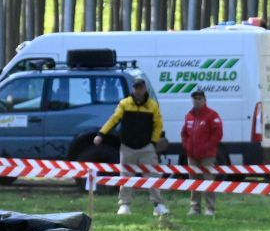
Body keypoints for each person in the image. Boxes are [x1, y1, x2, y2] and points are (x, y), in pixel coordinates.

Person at [95, 77, 168, 216]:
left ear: (145, 89)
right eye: (136, 88)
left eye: (140, 87)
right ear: (133, 89)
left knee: (152, 176)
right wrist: (101, 134)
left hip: (147, 148)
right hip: (127, 147)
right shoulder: (124, 104)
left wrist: (153, 142)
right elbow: (113, 120)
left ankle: (158, 205)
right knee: (125, 177)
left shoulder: (152, 105)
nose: (138, 90)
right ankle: (124, 205)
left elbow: (158, 125)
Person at [180, 89, 223, 217]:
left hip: (207, 156)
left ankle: (210, 208)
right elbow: (184, 134)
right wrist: (187, 146)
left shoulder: (212, 115)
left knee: (208, 181)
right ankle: (195, 208)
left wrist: (207, 147)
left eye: (199, 98)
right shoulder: (189, 115)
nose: (197, 101)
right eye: (195, 98)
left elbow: (218, 134)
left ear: (205, 100)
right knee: (194, 181)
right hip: (192, 155)